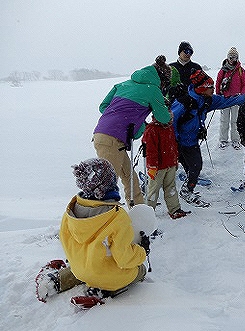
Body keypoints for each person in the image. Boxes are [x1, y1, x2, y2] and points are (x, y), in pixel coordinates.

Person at [35, 158, 148, 303]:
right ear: (110, 184)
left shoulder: (70, 212)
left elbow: (66, 242)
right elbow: (124, 258)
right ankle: (104, 290)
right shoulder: (117, 217)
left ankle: (56, 281)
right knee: (140, 269)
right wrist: (142, 251)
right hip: (107, 275)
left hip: (80, 269)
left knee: (86, 268)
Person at [93, 55, 172, 207]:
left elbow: (103, 107)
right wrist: (160, 107)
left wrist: (128, 116)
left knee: (130, 179)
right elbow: (163, 118)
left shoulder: (122, 85)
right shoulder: (153, 90)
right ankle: (99, 225)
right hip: (111, 140)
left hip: (105, 136)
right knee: (106, 189)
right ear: (162, 80)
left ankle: (140, 219)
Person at [172, 69, 245, 207]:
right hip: (178, 142)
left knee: (193, 166)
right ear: (201, 88)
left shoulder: (208, 100)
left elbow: (228, 101)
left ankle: (188, 184)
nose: (213, 89)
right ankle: (185, 190)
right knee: (192, 166)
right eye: (210, 87)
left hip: (191, 142)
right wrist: (174, 140)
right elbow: (171, 120)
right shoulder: (184, 103)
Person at [142, 116, 191, 219]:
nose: (170, 119)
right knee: (153, 190)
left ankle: (175, 209)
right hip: (158, 167)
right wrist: (152, 166)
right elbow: (150, 151)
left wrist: (175, 160)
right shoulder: (152, 129)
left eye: (171, 117)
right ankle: (148, 213)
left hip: (170, 164)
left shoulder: (169, 127)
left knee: (171, 187)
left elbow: (173, 145)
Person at [216, 47, 245, 150]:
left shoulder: (241, 71)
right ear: (227, 57)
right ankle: (223, 139)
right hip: (225, 99)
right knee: (224, 120)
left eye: (234, 57)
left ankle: (235, 140)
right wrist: (218, 95)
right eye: (230, 57)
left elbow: (244, 84)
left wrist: (242, 95)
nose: (232, 59)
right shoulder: (223, 70)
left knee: (235, 121)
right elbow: (218, 82)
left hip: (236, 99)